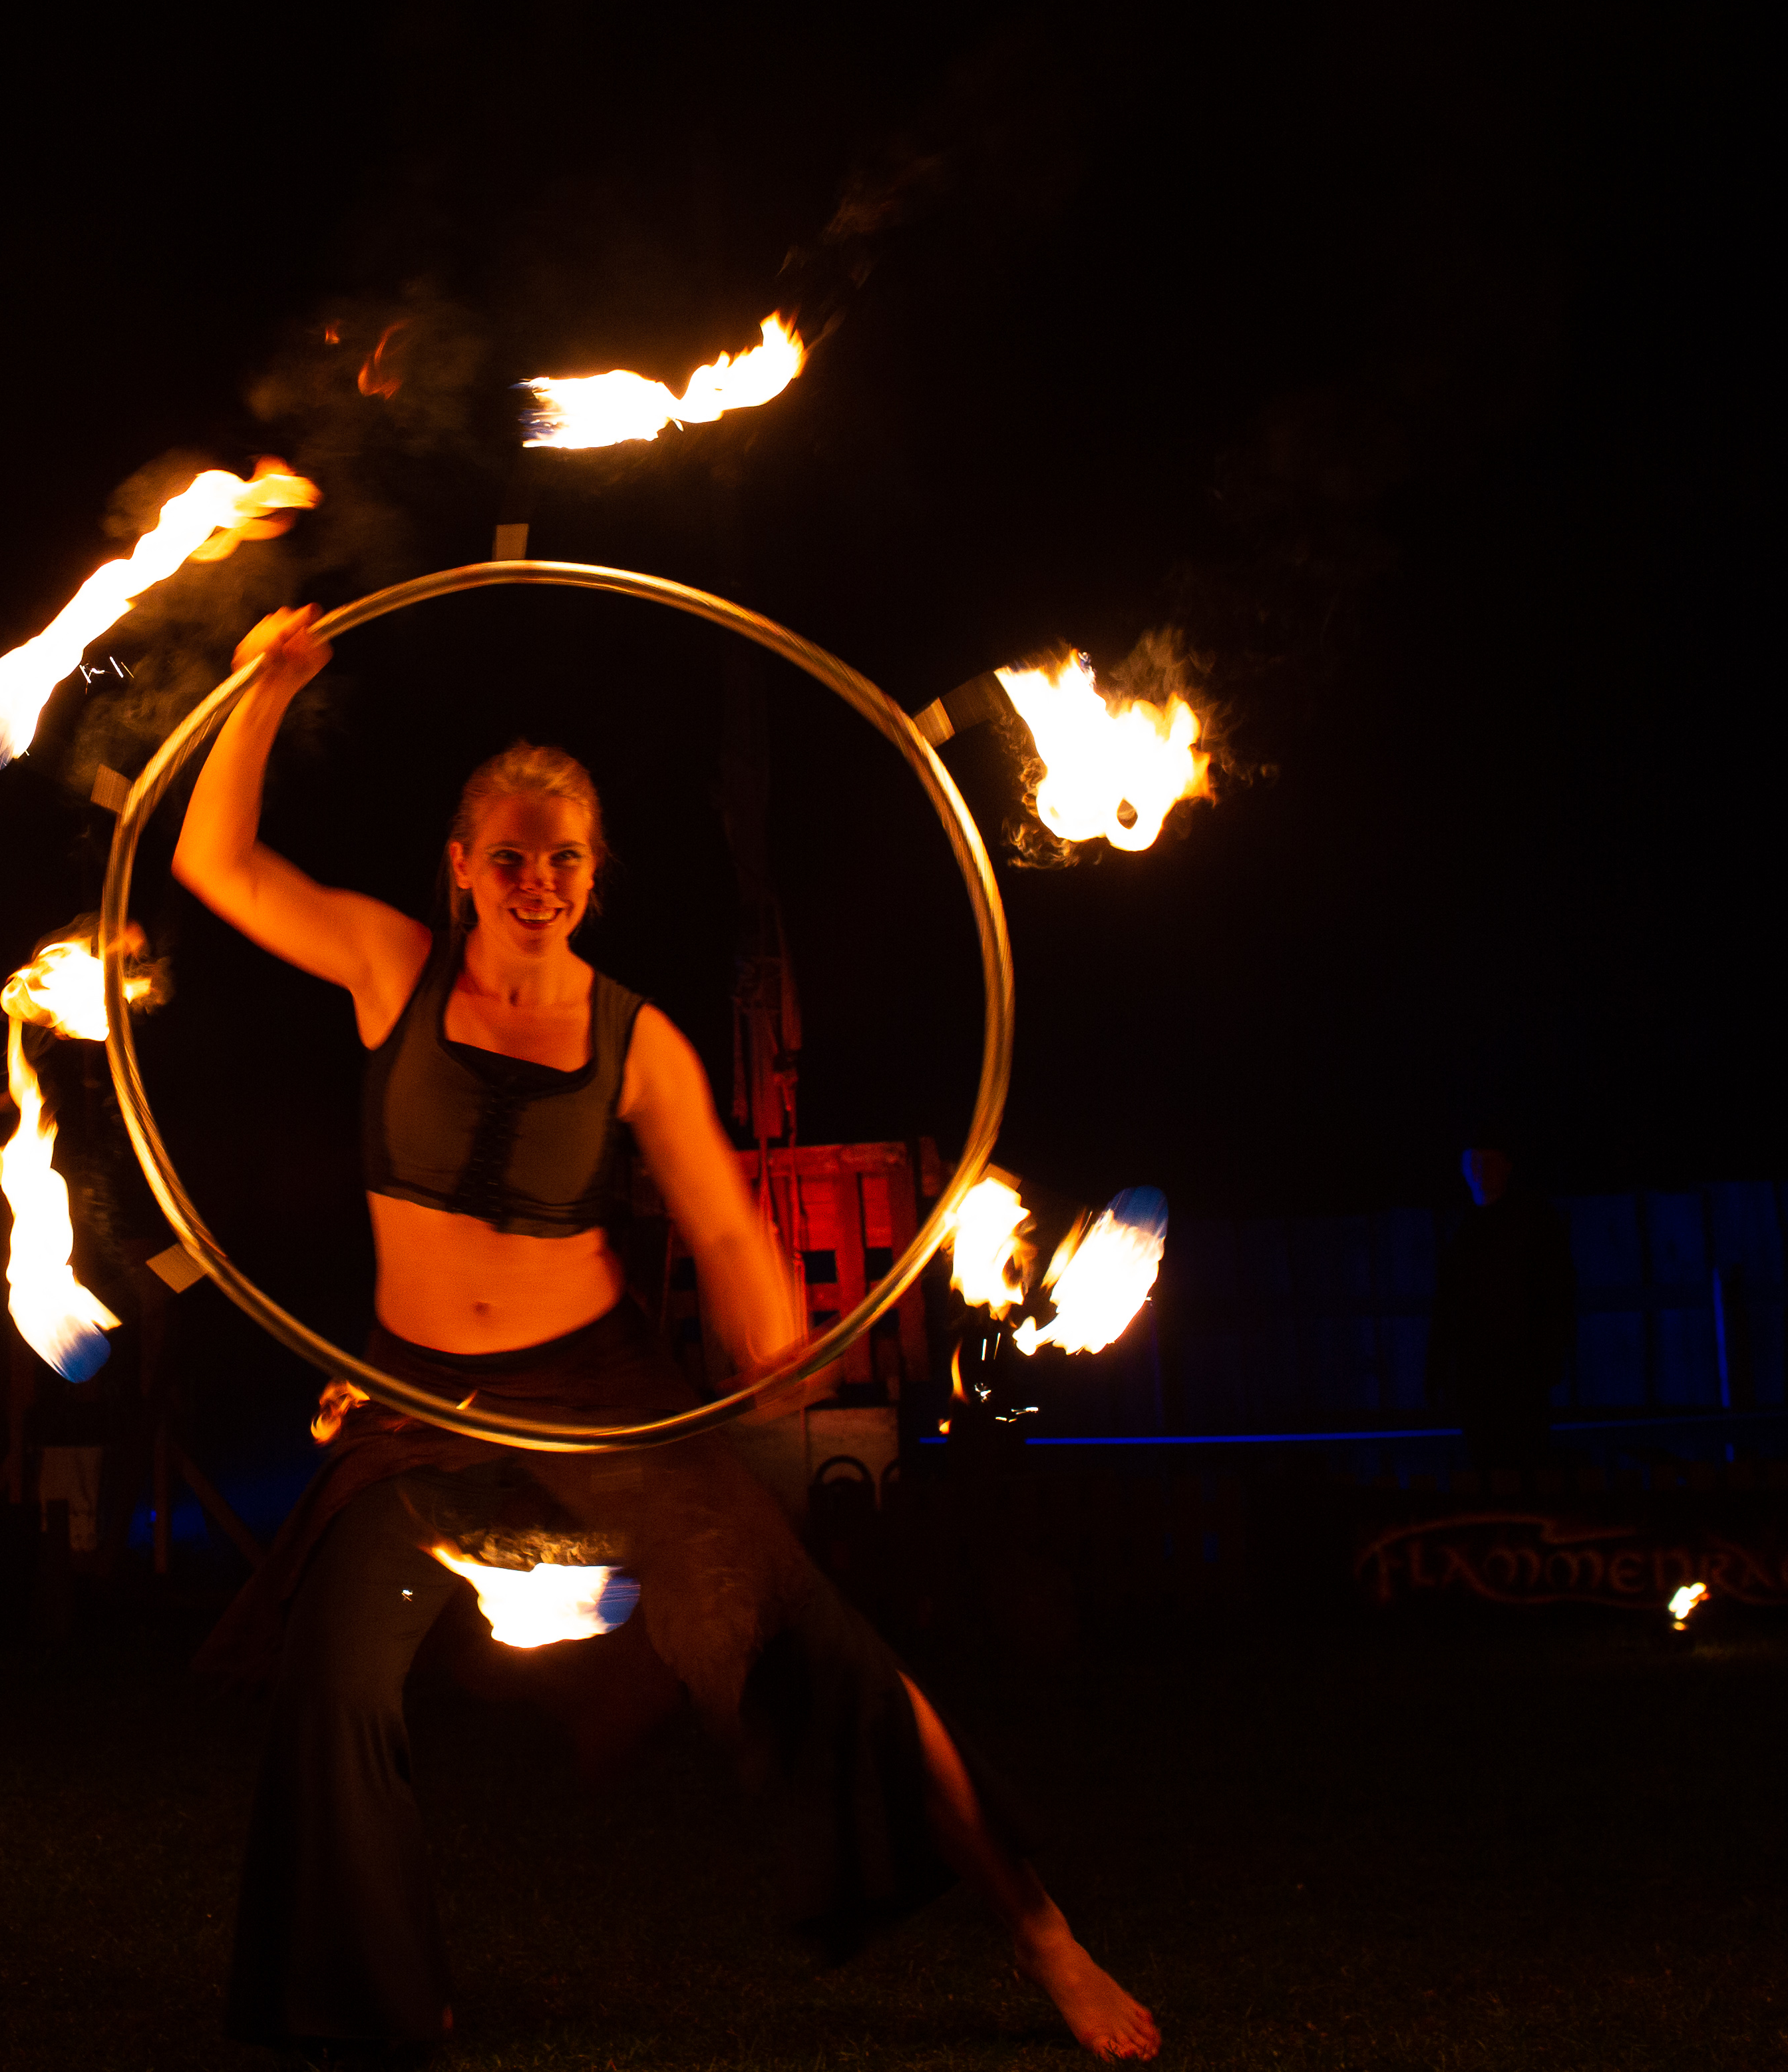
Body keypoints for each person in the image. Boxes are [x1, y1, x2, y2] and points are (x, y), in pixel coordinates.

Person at [177, 604, 1159, 2059]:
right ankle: (385, 2001)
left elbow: (721, 1225)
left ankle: (1044, 1934)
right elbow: (216, 865)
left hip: (597, 1395)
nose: (537, 883)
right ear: (461, 867)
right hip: (417, 1404)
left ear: (596, 874)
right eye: (510, 857)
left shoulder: (639, 1041)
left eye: (565, 859)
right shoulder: (392, 966)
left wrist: (768, 1334)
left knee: (813, 1650)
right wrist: (263, 692)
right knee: (335, 1686)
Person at [1427, 1146, 1576, 1478]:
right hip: (1475, 1375)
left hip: (1521, 1370)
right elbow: (1446, 1303)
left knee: (1526, 1462)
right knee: (1485, 1460)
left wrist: (1548, 1355)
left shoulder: (1533, 1222)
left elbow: (1557, 1292)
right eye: (1474, 1161)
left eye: (1489, 1160)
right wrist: (1437, 1367)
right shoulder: (1461, 1229)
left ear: (1507, 1165)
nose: (1481, 1169)